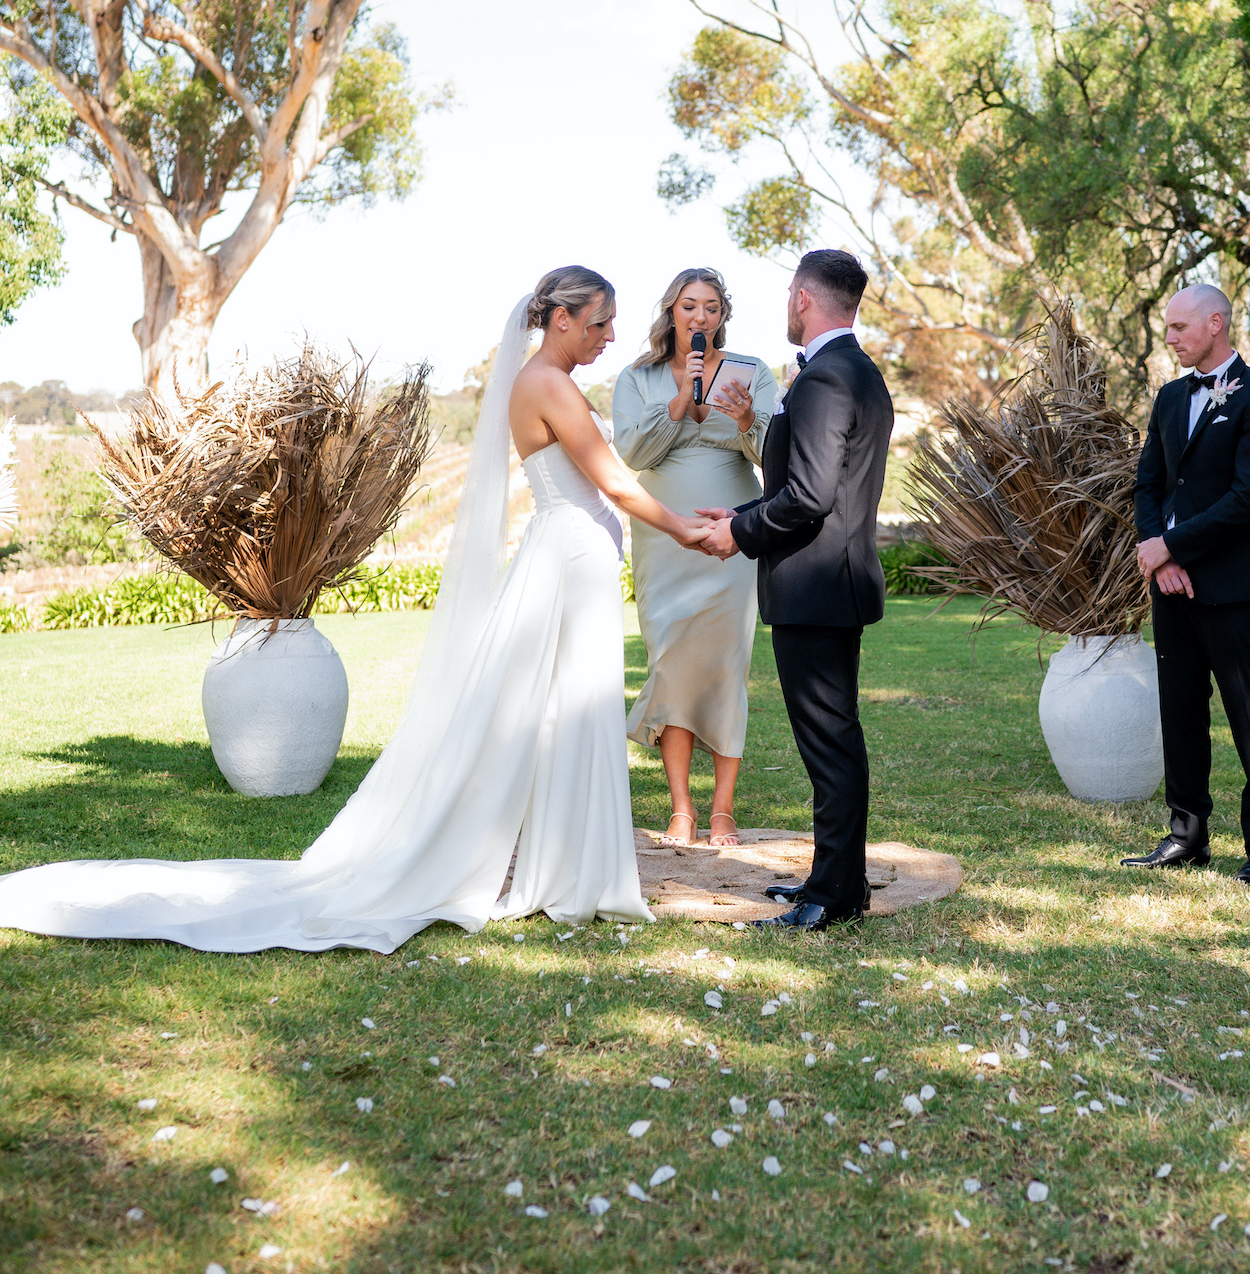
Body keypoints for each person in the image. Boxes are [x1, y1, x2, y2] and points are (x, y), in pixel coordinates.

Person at [0, 267, 710, 951]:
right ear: (561, 318)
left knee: (563, 712)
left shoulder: (544, 380)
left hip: (571, 556)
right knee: (569, 710)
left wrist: (684, 516)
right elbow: (616, 484)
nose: (610, 336)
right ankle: (575, 870)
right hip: (569, 559)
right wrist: (686, 530)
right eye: (600, 322)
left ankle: (570, 867)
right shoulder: (548, 383)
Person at [697, 248, 893, 932]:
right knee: (833, 740)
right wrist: (741, 514)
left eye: (789, 295)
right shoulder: (857, 372)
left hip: (815, 585)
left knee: (829, 743)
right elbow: (813, 488)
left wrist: (739, 534)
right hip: (833, 582)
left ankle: (833, 897)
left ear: (804, 298)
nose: (787, 305)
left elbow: (809, 497)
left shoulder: (824, 379)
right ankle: (837, 879)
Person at [1123, 283, 1250, 887]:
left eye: (1179, 327)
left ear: (1215, 323)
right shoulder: (1170, 397)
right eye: (1168, 328)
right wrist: (1160, 557)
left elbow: (1247, 499)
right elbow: (1149, 485)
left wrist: (1173, 546)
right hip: (1170, 587)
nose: (1169, 338)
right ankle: (1186, 836)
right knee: (1180, 712)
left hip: (1234, 588)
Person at [613, 267, 777, 846]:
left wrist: (747, 420)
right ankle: (681, 807)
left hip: (734, 536)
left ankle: (723, 809)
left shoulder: (753, 372)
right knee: (671, 662)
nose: (699, 316)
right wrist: (683, 398)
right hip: (664, 539)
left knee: (728, 663)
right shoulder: (639, 377)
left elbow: (777, 455)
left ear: (722, 315)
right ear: (672, 312)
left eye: (710, 307)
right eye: (689, 306)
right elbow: (633, 453)